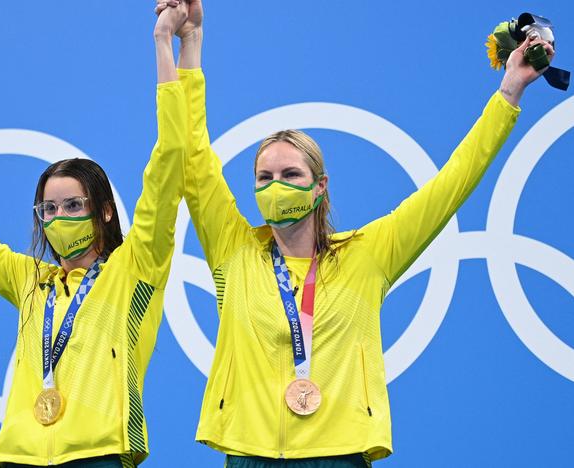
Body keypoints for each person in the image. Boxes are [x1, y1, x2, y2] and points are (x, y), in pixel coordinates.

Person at [160, 1, 555, 466]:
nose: (276, 185)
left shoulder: (368, 256)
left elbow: (453, 184)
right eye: (264, 178)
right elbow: (191, 154)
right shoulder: (234, 251)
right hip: (248, 453)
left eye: (290, 174)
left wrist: (509, 91)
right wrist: (186, 43)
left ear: (320, 186)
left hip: (340, 455)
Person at [0, 3, 191, 467]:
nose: (59, 217)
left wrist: (165, 43)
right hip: (18, 457)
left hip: (100, 456)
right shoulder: (29, 280)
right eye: (48, 208)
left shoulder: (137, 267)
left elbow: (172, 158)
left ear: (107, 212)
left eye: (74, 205)